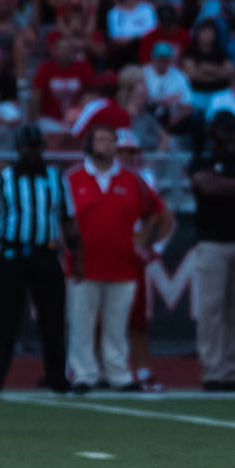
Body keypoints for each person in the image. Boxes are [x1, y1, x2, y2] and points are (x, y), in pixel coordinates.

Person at [64, 125, 169, 392]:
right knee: (81, 323)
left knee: (117, 324)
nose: (106, 145)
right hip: (83, 264)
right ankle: (84, 373)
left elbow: (158, 212)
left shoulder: (132, 180)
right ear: (89, 144)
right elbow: (60, 218)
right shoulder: (72, 179)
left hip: (123, 263)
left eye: (111, 140)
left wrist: (144, 239)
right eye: (101, 139)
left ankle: (118, 373)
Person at [0, 124, 80, 394]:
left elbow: (68, 219)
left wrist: (75, 254)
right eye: (28, 149)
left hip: (46, 254)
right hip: (13, 254)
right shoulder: (4, 180)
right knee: (4, 320)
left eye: (36, 149)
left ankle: (57, 378)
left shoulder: (56, 180)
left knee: (53, 320)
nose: (33, 154)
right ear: (20, 150)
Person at [190, 110, 235, 390]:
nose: (229, 136)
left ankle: (231, 370)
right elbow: (207, 187)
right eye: (224, 130)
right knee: (211, 309)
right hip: (213, 243)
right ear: (213, 132)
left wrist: (228, 187)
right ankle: (212, 370)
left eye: (233, 130)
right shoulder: (203, 160)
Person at [116, 130, 175, 390]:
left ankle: (142, 370)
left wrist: (153, 247)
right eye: (122, 152)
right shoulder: (95, 177)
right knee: (95, 318)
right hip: (103, 253)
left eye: (131, 152)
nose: (126, 157)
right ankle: (89, 369)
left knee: (137, 319)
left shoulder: (141, 180)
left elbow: (164, 217)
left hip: (130, 256)